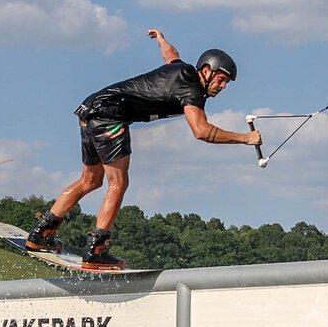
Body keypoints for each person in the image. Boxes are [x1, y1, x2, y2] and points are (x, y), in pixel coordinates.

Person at [26, 28, 261, 270]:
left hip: (90, 109)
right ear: (206, 70)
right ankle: (96, 250)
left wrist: (161, 39)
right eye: (221, 79)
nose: (223, 86)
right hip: (110, 117)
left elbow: (170, 54)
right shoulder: (192, 91)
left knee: (90, 180)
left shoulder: (181, 68)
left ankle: (41, 233)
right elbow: (201, 131)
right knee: (118, 183)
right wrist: (245, 138)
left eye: (226, 83)